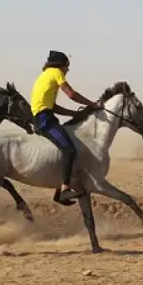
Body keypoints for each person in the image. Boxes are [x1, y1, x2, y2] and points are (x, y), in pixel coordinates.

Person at [30, 50, 101, 206]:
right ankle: (64, 190)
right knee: (69, 150)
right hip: (45, 120)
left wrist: (74, 114)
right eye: (67, 67)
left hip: (45, 116)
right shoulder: (55, 73)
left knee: (67, 147)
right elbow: (71, 94)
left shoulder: (43, 76)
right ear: (61, 66)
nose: (67, 70)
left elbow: (53, 106)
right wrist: (93, 104)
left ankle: (60, 190)